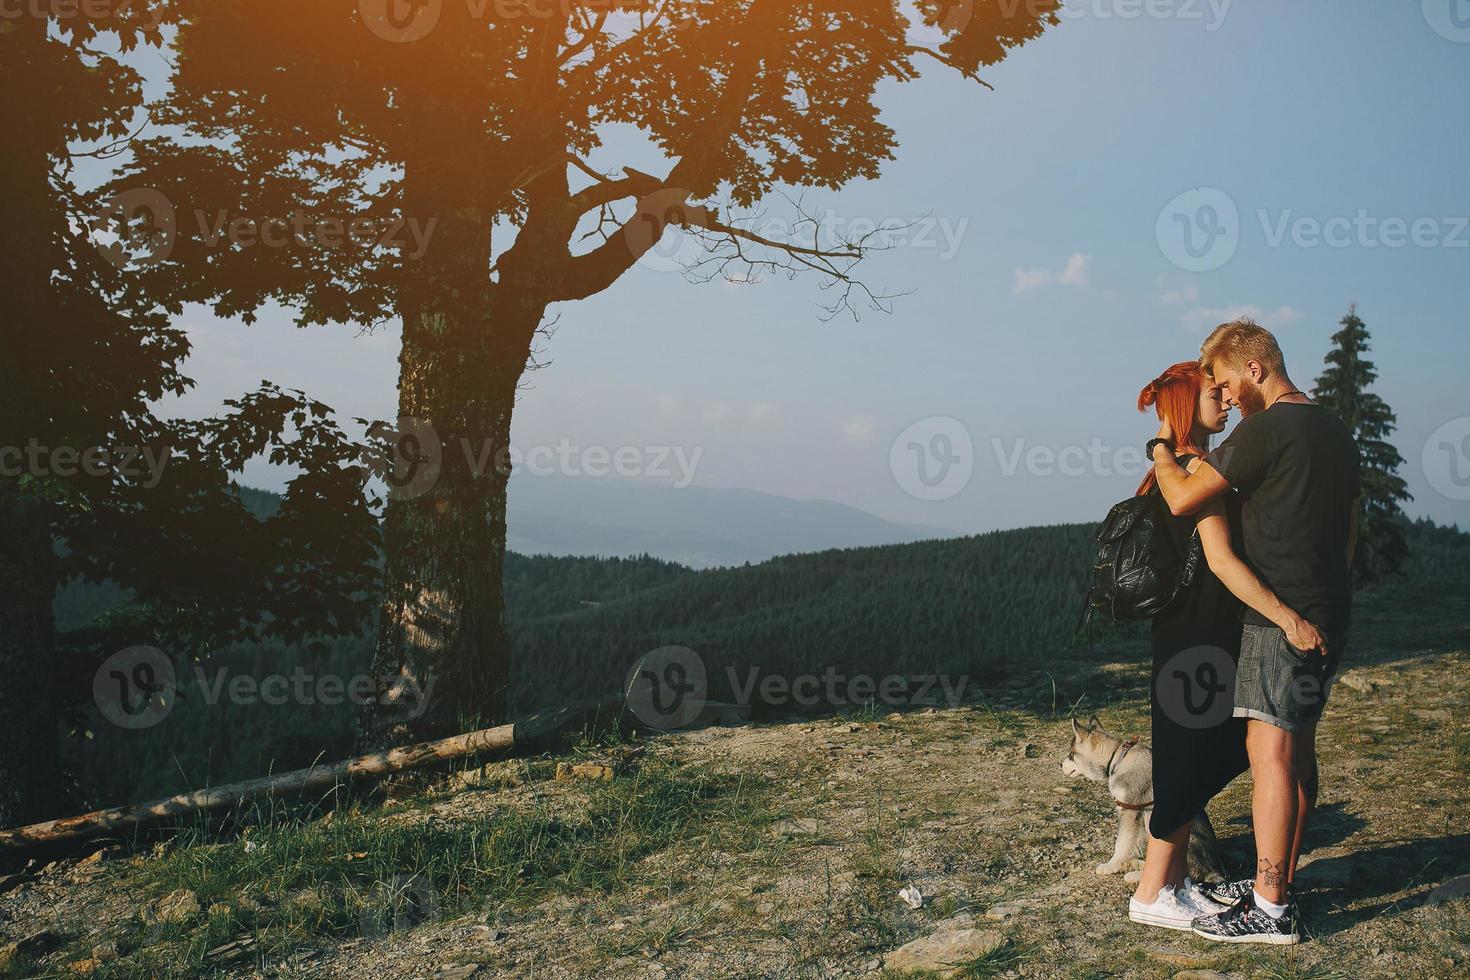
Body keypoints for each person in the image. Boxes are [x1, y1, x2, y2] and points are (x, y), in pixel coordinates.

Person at [1149, 319, 1361, 945]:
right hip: (1330, 609)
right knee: (1298, 750)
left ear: (1256, 369)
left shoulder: (1267, 428)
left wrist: (1162, 448)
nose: (1226, 395)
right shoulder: (1333, 427)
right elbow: (1350, 530)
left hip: (1281, 619)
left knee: (1269, 756)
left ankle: (1269, 909)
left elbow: (1186, 497)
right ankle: (1281, 883)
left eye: (1224, 380)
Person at [1126, 361, 1326, 933]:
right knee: (1190, 757)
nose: (1227, 400)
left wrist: (1160, 445)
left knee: (1196, 751)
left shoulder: (1172, 465)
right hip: (1200, 635)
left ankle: (1172, 883)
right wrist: (1286, 618)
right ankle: (1150, 892)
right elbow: (1219, 560)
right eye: (1214, 392)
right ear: (1190, 401)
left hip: (1186, 631)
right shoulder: (1193, 469)